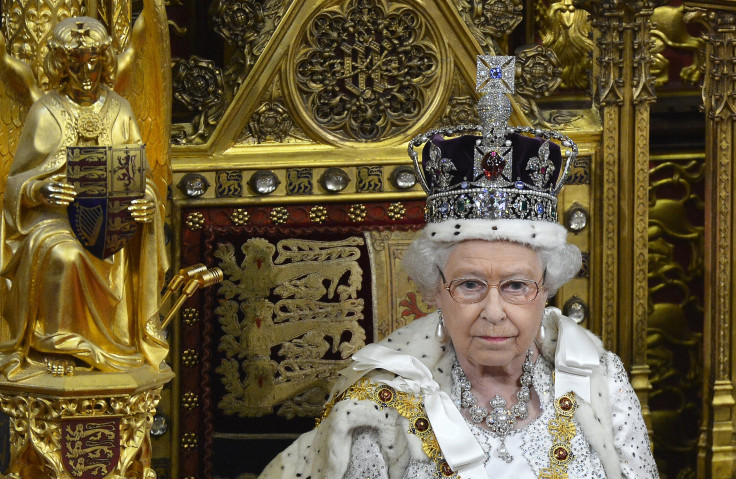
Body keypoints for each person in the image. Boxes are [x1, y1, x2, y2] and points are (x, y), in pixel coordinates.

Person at [258, 56, 658, 478]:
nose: (493, 311)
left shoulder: (598, 381)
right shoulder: (380, 408)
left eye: (517, 286)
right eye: (469, 285)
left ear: (546, 290)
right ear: (434, 290)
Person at [0, 17, 169, 379]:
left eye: (94, 61)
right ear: (61, 66)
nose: (87, 72)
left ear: (106, 62)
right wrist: (38, 189)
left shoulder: (120, 109)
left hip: (112, 223)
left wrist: (147, 202)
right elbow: (15, 183)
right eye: (76, 64)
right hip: (55, 221)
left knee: (115, 249)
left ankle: (118, 345)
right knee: (67, 255)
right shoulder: (45, 111)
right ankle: (57, 345)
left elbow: (142, 175)